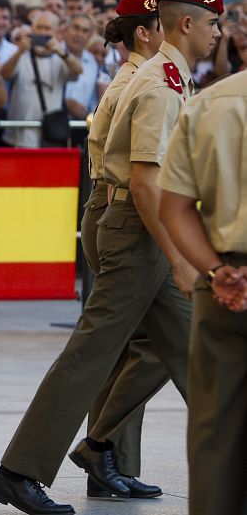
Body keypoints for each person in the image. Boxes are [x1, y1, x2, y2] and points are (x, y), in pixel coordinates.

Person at [0, 0, 222, 515]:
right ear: (185, 23)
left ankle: (99, 449)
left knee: (200, 351)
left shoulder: (170, 77)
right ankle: (18, 470)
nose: (218, 33)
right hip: (138, 233)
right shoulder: (160, 84)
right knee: (92, 352)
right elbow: (145, 181)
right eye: (212, 23)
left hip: (142, 228)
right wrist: (182, 257)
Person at [79, 0, 167, 500]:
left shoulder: (136, 75)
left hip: (108, 206)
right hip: (120, 209)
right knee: (141, 347)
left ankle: (110, 462)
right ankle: (102, 451)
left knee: (125, 349)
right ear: (146, 31)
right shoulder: (140, 79)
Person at [159, 68, 247, 515]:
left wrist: (215, 273)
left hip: (229, 284)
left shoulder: (209, 104)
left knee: (215, 438)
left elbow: (173, 206)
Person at [0, 10, 82, 147]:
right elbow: (5, 74)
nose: (42, 32)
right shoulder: (20, 54)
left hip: (49, 136)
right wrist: (19, 52)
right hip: (18, 137)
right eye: (39, 27)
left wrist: (60, 51)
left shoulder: (61, 56)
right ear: (32, 29)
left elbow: (78, 70)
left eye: (47, 28)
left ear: (56, 32)